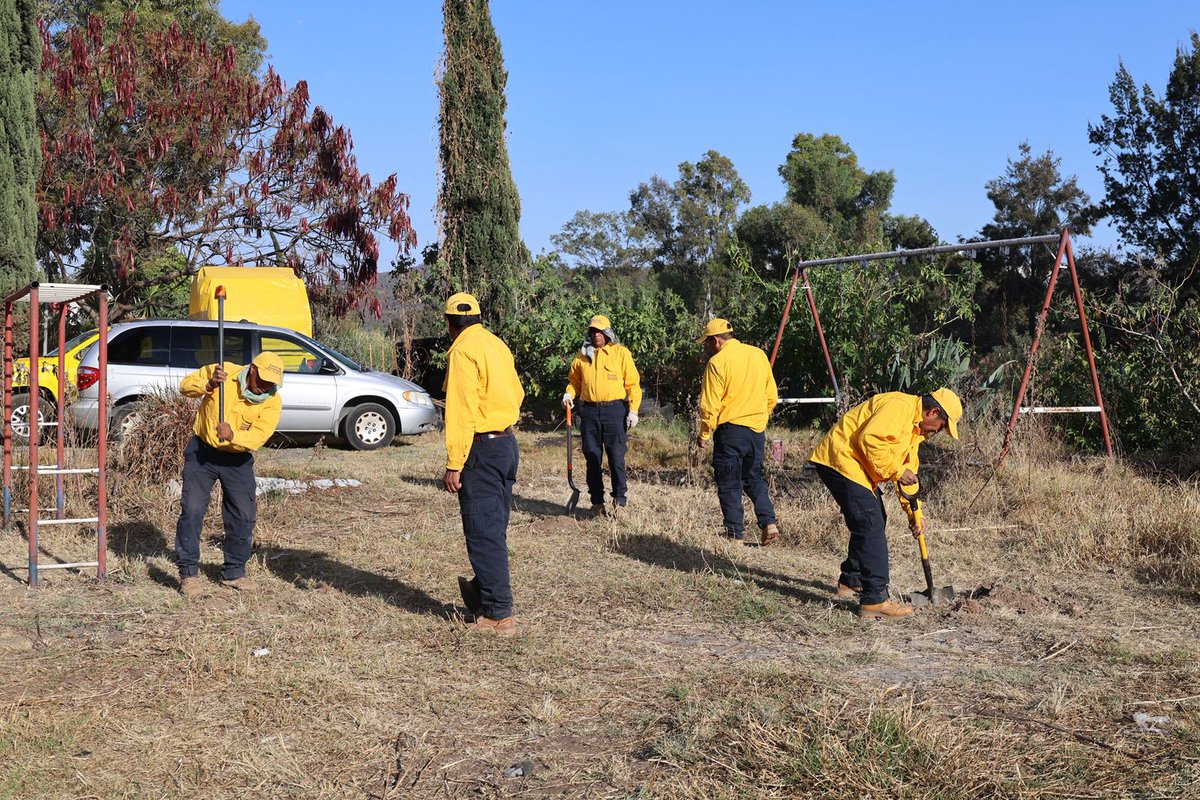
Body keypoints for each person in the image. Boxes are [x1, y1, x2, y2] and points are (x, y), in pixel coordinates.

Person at [809, 388, 963, 619]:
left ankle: (852, 580)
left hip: (857, 466)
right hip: (840, 459)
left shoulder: (915, 432)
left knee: (874, 519)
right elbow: (869, 439)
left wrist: (915, 514)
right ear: (932, 412)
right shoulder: (898, 406)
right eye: (942, 426)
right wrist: (897, 470)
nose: (939, 431)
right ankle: (875, 599)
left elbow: (909, 476)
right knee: (869, 523)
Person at [442, 292, 525, 636]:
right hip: (506, 443)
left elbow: (461, 411)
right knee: (494, 527)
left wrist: (454, 463)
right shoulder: (496, 345)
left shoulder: (462, 351)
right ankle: (484, 595)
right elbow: (517, 393)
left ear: (449, 323)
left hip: (481, 448)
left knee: (483, 532)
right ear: (477, 317)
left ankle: (497, 615)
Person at [175, 351, 285, 596]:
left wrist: (233, 435)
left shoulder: (272, 401)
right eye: (263, 381)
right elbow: (185, 387)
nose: (265, 387)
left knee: (244, 513)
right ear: (252, 370)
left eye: (272, 384)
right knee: (192, 510)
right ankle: (188, 574)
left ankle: (234, 572)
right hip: (202, 452)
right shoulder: (224, 372)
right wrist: (209, 384)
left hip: (237, 458)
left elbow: (257, 437)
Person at [696, 318, 781, 546]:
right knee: (753, 477)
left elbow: (710, 405)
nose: (707, 347)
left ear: (715, 341)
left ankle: (735, 535)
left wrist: (704, 434)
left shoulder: (717, 363)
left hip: (730, 432)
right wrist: (760, 418)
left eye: (707, 343)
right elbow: (772, 395)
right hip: (756, 432)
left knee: (729, 481)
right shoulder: (758, 355)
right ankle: (769, 522)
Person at [561, 314, 642, 517]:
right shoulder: (582, 357)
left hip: (614, 411)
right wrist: (569, 394)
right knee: (592, 457)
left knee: (616, 456)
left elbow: (633, 385)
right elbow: (575, 382)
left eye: (600, 332)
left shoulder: (621, 354)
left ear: (607, 333)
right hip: (588, 411)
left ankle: (620, 501)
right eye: (593, 331)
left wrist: (633, 410)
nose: (596, 335)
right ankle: (597, 503)